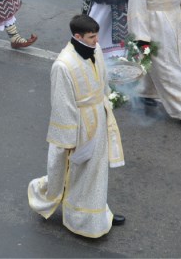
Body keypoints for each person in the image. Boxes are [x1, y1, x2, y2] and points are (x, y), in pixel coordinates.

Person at [28, 14, 126, 238]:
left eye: (96, 35)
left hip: (98, 119)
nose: (97, 41)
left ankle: (97, 215)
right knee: (77, 172)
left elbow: (102, 80)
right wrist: (69, 140)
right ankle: (79, 219)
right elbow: (62, 105)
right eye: (92, 37)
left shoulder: (96, 49)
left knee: (96, 172)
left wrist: (108, 101)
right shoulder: (63, 65)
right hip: (80, 126)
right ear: (77, 36)